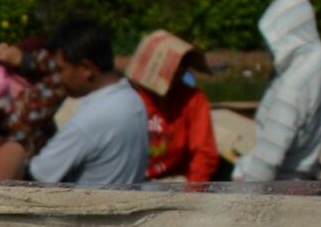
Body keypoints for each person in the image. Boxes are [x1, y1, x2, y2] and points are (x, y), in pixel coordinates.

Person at [26, 20, 148, 189]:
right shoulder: (132, 99)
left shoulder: (90, 119)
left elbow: (37, 175)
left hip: (89, 205)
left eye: (61, 70)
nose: (58, 78)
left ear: (86, 68)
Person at [234, 0, 321, 184]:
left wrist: (245, 196)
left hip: (281, 184)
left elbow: (268, 159)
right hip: (300, 179)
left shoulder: (295, 83)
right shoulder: (318, 58)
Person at [129, 33, 220, 185]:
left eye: (183, 66)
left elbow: (204, 153)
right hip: (130, 180)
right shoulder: (129, 99)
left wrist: (192, 192)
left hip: (173, 182)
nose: (178, 71)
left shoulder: (193, 100)